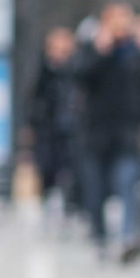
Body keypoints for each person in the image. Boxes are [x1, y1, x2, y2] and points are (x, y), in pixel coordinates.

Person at [73, 1, 140, 260]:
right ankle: (100, 236)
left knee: (128, 182)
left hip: (126, 131)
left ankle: (129, 235)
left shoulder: (134, 52)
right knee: (95, 188)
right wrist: (101, 51)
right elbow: (80, 75)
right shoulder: (93, 48)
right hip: (95, 132)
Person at [25, 26, 80, 214]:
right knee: (47, 168)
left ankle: (69, 208)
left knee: (71, 170)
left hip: (72, 129)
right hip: (47, 129)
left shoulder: (77, 69)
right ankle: (49, 205)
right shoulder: (44, 70)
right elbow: (34, 99)